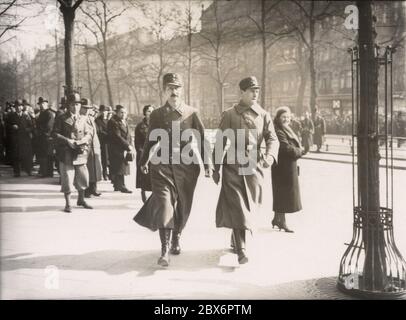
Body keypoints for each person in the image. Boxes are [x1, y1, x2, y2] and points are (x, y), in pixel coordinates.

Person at [133, 73, 213, 267]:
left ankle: (177, 235)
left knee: (183, 207)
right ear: (164, 91)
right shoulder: (157, 114)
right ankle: (165, 249)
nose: (174, 91)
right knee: (164, 205)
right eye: (170, 88)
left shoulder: (192, 112)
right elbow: (151, 140)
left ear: (182, 89)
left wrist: (208, 163)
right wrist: (143, 161)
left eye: (177, 87)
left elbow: (202, 139)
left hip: (187, 167)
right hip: (161, 166)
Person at [212, 76, 279, 264]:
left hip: (254, 167)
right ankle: (241, 250)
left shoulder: (264, 115)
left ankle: (236, 239)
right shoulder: (230, 114)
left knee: (250, 207)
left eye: (257, 90)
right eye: (251, 90)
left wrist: (270, 156)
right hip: (232, 166)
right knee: (237, 205)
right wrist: (216, 168)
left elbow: (273, 138)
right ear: (241, 92)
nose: (255, 93)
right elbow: (220, 142)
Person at [52, 92, 93, 213]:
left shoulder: (83, 118)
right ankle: (68, 203)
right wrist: (67, 141)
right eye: (73, 104)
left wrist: (84, 140)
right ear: (68, 105)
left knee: (83, 176)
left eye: (77, 104)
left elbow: (89, 133)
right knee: (67, 177)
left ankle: (81, 199)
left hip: (80, 151)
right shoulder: (61, 118)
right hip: (66, 152)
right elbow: (54, 134)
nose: (76, 107)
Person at [271, 106, 305, 233]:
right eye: (283, 117)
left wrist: (298, 150)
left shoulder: (286, 128)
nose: (286, 119)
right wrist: (299, 151)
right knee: (283, 194)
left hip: (287, 166)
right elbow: (285, 148)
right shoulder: (278, 130)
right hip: (282, 167)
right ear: (278, 118)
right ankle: (282, 222)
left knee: (282, 193)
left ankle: (276, 219)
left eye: (288, 117)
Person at [107, 104, 133, 193]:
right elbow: (117, 136)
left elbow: (129, 135)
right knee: (119, 167)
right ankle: (121, 186)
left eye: (125, 112)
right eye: (121, 112)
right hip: (116, 148)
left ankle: (118, 185)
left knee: (122, 166)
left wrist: (130, 145)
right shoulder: (113, 122)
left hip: (124, 148)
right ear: (117, 113)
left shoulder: (125, 122)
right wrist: (127, 145)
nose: (123, 114)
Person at [80, 99, 102, 198]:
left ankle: (94, 188)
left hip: (94, 146)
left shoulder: (90, 118)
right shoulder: (80, 118)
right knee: (87, 170)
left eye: (89, 108)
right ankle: (86, 190)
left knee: (95, 169)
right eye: (85, 108)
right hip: (87, 147)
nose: (87, 110)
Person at [8, 99, 34, 177]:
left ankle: (28, 171)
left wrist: (27, 129)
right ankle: (16, 172)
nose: (18, 108)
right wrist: (12, 126)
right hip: (15, 138)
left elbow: (32, 126)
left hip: (25, 139)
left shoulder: (26, 116)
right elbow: (7, 125)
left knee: (27, 155)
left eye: (20, 106)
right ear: (15, 107)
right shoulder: (11, 116)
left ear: (22, 107)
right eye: (16, 106)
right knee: (16, 155)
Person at [134, 105, 154, 203]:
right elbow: (137, 143)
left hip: (154, 155)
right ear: (145, 113)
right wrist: (143, 155)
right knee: (143, 177)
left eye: (152, 111)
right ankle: (143, 194)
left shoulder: (157, 125)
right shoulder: (140, 126)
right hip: (143, 154)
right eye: (149, 111)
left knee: (154, 176)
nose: (150, 113)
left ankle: (154, 197)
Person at [36, 97, 56, 177]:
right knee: (44, 155)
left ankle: (48, 173)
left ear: (47, 104)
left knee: (48, 155)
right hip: (42, 137)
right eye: (40, 104)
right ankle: (45, 172)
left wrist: (41, 131)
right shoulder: (41, 113)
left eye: (43, 103)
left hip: (47, 137)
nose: (41, 105)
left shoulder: (49, 113)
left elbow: (49, 126)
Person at [95, 104, 111, 180]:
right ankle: (104, 173)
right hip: (103, 141)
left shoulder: (109, 121)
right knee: (104, 157)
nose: (104, 112)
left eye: (106, 111)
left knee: (110, 158)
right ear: (100, 112)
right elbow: (99, 131)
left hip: (110, 142)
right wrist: (109, 135)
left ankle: (110, 173)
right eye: (103, 111)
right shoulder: (97, 120)